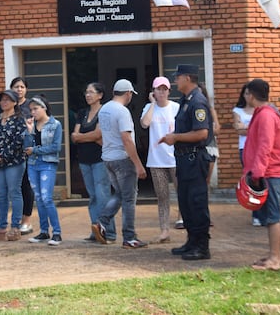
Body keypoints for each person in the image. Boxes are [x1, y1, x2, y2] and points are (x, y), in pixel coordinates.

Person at [159, 64, 212, 261]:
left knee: (196, 202)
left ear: (188, 78)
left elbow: (202, 133)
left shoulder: (198, 101)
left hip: (194, 158)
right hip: (183, 158)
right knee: (186, 201)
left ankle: (202, 246)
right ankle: (191, 241)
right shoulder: (185, 100)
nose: (175, 81)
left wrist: (176, 137)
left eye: (178, 77)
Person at [90, 79, 148, 249]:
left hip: (107, 158)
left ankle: (102, 221)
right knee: (129, 198)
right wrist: (138, 164)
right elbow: (127, 139)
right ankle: (129, 237)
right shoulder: (122, 112)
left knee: (120, 194)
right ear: (128, 93)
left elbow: (100, 133)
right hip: (123, 159)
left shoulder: (105, 109)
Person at [242, 78, 280, 271]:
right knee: (269, 215)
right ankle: (272, 254)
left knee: (273, 215)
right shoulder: (262, 113)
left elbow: (265, 146)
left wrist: (257, 173)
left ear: (251, 95)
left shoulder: (266, 116)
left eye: (246, 93)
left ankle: (275, 258)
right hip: (265, 171)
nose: (245, 97)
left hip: (269, 172)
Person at [0, 89, 33, 242]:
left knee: (14, 192)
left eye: (7, 99)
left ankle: (15, 227)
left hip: (15, 162)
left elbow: (19, 141)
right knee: (1, 194)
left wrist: (3, 155)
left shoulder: (20, 119)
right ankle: (1, 226)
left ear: (14, 102)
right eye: (2, 99)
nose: (4, 102)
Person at [71, 82, 117, 243]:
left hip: (100, 159)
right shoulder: (82, 113)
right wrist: (89, 137)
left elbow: (98, 134)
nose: (87, 95)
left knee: (103, 195)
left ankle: (109, 232)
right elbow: (74, 136)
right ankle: (95, 230)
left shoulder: (104, 112)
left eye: (91, 92)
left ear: (100, 95)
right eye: (86, 92)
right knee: (92, 197)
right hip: (84, 160)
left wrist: (83, 137)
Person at [140, 76, 180, 244]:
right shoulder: (149, 108)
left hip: (176, 159)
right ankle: (164, 230)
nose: (161, 92)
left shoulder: (176, 108)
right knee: (162, 196)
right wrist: (153, 104)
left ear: (169, 91)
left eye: (164, 89)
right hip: (156, 160)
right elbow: (144, 124)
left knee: (182, 192)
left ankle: (183, 218)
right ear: (153, 91)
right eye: (158, 89)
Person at [25, 95, 64, 246]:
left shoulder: (55, 124)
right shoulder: (31, 124)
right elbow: (26, 147)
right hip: (33, 164)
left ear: (44, 108)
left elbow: (56, 147)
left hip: (48, 164)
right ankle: (43, 231)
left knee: (47, 198)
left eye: (35, 109)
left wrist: (35, 149)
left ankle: (57, 233)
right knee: (39, 198)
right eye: (31, 110)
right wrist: (29, 132)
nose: (32, 112)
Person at [233, 82, 260, 227]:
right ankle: (255, 214)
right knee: (252, 182)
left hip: (260, 149)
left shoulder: (260, 110)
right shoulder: (238, 110)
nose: (247, 96)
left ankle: (265, 213)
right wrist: (254, 128)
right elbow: (238, 130)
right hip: (245, 149)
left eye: (250, 93)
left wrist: (246, 127)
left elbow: (246, 128)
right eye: (246, 93)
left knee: (263, 181)